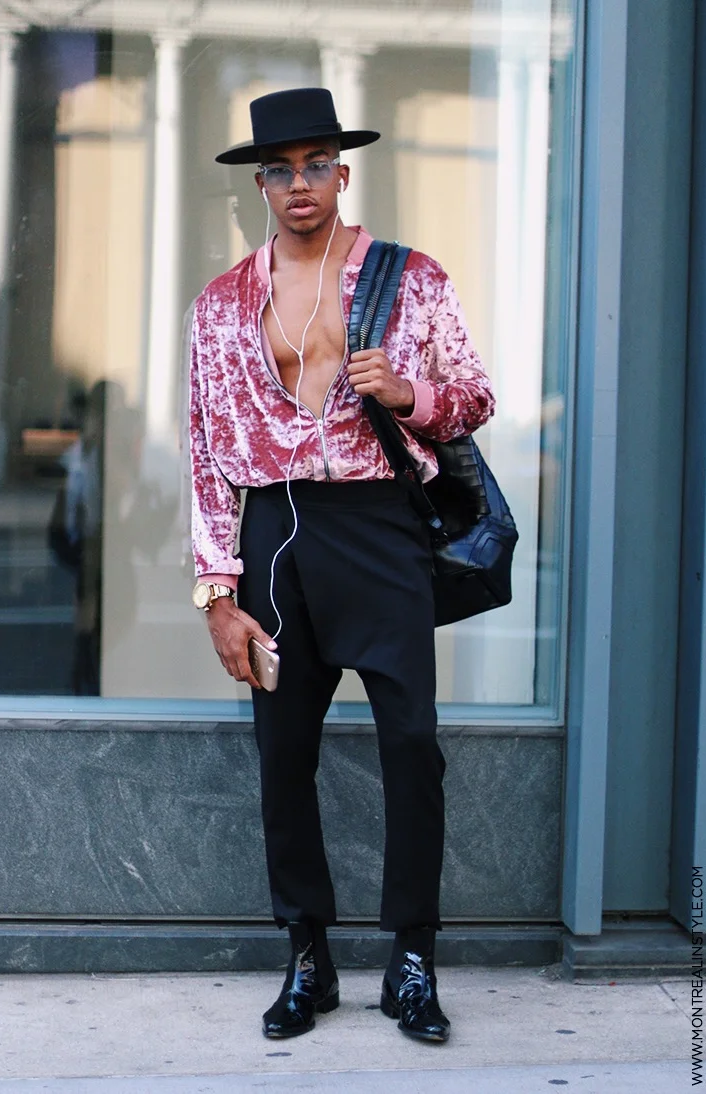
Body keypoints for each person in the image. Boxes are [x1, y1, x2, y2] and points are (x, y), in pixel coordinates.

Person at [188, 87, 495, 1043]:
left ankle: (412, 958)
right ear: (260, 184)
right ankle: (307, 958)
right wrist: (217, 592)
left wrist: (409, 396)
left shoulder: (411, 279)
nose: (299, 184)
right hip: (275, 534)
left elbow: (475, 395)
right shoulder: (221, 305)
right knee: (284, 755)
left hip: (377, 525)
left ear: (342, 174)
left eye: (316, 165)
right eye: (280, 169)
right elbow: (205, 450)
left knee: (412, 744)